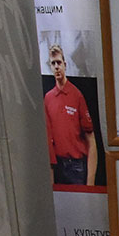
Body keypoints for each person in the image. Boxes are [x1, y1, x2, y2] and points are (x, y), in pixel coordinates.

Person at [43, 45, 96, 185]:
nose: (56, 67)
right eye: (53, 63)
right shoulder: (48, 98)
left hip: (76, 167)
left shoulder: (76, 95)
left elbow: (91, 140)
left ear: (65, 65)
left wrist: (90, 183)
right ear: (50, 66)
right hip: (58, 166)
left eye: (59, 62)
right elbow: (48, 140)